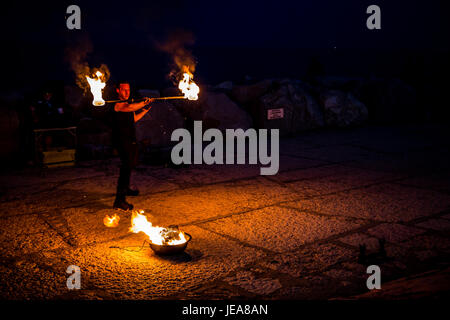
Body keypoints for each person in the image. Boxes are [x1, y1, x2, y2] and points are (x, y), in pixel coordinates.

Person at [112, 81, 154, 210]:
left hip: (130, 139)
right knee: (126, 168)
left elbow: (133, 117)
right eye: (123, 90)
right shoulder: (117, 104)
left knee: (130, 165)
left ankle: (126, 189)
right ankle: (119, 200)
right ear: (117, 90)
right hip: (122, 140)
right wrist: (144, 102)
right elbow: (130, 108)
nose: (126, 92)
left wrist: (145, 110)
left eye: (128, 90)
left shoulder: (128, 103)